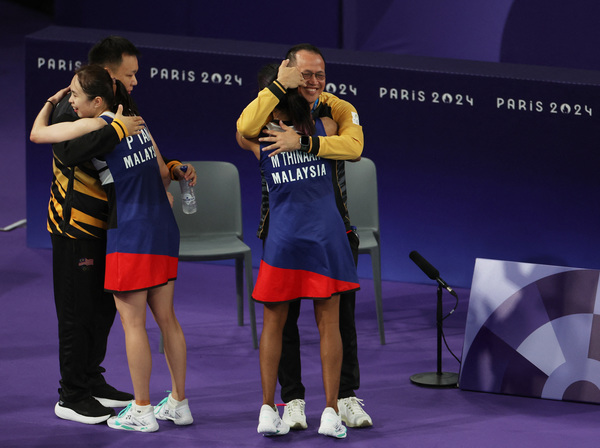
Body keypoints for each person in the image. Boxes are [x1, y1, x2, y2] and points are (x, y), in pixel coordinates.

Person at [38, 35, 196, 425]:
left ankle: (95, 382)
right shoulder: (73, 112)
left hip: (122, 228)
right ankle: (73, 394)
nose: (136, 81)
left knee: (108, 314)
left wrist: (171, 166)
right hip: (79, 228)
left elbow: (151, 160)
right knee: (82, 314)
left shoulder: (125, 110)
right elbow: (63, 149)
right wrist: (114, 128)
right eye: (130, 75)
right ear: (109, 79)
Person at [236, 44, 373, 430]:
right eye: (304, 77)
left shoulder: (334, 115)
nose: (312, 83)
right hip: (284, 237)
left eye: (318, 75)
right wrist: (281, 88)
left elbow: (356, 147)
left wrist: (304, 142)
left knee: (338, 323)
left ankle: (342, 400)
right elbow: (245, 126)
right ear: (287, 82)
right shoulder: (260, 131)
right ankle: (292, 401)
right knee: (288, 324)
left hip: (334, 233)